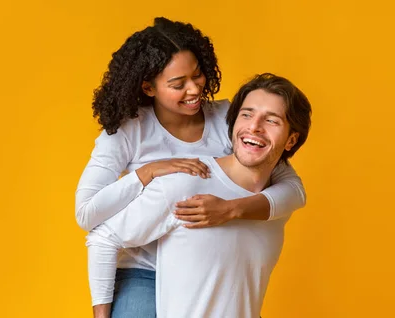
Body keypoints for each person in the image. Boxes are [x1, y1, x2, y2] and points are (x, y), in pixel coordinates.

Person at [75, 17, 306, 317]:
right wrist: (148, 172)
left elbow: (292, 189)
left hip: (205, 266)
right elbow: (88, 215)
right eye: (177, 84)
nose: (195, 89)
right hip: (145, 271)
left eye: (197, 75)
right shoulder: (126, 133)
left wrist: (232, 208)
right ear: (148, 87)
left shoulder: (229, 119)